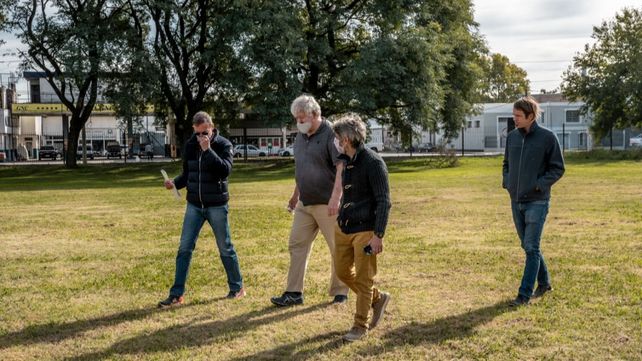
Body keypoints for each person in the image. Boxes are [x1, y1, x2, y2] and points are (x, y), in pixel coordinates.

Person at [158, 111, 245, 307]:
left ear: (212, 128)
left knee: (225, 247)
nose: (201, 137)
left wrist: (207, 150)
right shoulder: (190, 145)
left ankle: (237, 287)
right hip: (194, 205)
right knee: (184, 248)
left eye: (205, 133)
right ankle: (176, 294)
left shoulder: (223, 145)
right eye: (197, 133)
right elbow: (188, 174)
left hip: (217, 205)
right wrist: (175, 183)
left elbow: (224, 170)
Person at [270, 95, 350, 307]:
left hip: (327, 204)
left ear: (316, 114)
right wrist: (295, 195)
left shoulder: (332, 134)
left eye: (302, 118)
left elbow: (341, 167)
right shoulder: (300, 136)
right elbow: (302, 169)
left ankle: (340, 291)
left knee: (337, 248)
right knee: (297, 244)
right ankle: (294, 293)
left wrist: (336, 198)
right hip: (305, 203)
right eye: (296, 119)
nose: (299, 122)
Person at [331, 114, 392, 342]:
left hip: (366, 231)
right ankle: (378, 298)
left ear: (346, 139)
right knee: (342, 272)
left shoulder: (373, 163)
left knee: (364, 280)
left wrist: (378, 235)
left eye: (337, 137)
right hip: (344, 228)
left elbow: (384, 201)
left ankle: (360, 326)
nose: (335, 142)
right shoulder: (346, 161)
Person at [502, 96, 565, 307]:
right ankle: (545, 282)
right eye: (514, 115)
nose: (515, 119)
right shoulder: (512, 137)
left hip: (537, 201)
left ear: (531, 116)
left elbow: (558, 168)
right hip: (516, 199)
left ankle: (524, 295)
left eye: (518, 116)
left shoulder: (548, 138)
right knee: (528, 246)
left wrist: (539, 185)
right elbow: (506, 164)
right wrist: (508, 182)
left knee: (530, 247)